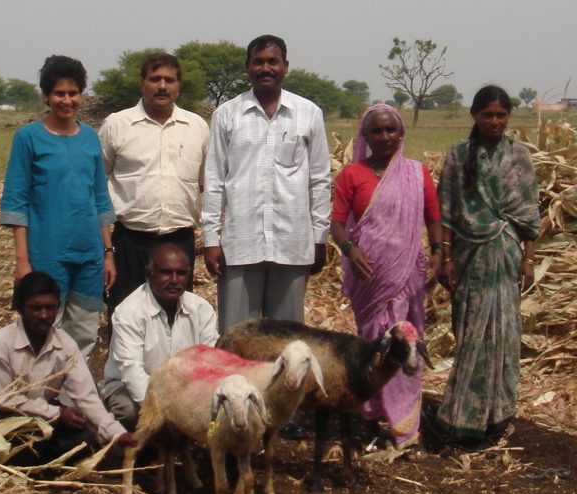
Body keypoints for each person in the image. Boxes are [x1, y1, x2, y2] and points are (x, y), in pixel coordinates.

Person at [330, 103, 442, 454]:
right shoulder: (352, 175)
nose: (384, 137)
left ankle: (405, 428)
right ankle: (372, 417)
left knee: (404, 347)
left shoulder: (416, 173)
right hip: (370, 279)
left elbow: (433, 216)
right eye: (376, 131)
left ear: (401, 133)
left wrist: (439, 253)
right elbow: (336, 222)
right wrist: (350, 249)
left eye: (390, 130)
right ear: (364, 137)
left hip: (407, 274)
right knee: (373, 347)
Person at [202, 34, 331, 333]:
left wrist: (319, 237)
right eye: (258, 62)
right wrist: (211, 238)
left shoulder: (308, 113)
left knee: (287, 339)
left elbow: (320, 179)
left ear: (286, 66)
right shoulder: (227, 114)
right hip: (240, 243)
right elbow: (215, 179)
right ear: (247, 67)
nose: (266, 68)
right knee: (237, 337)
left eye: (273, 61)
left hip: (292, 242)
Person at [436, 86, 540, 444]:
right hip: (469, 256)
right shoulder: (459, 155)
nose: (494, 122)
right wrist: (446, 258)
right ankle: (463, 417)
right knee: (470, 335)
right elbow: (447, 210)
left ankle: (498, 414)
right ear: (475, 116)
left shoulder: (519, 156)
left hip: (507, 254)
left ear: (508, 116)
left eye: (500, 115)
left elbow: (528, 214)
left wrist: (528, 260)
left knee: (504, 336)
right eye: (487, 115)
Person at [1, 55, 115, 360]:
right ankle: (41, 400)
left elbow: (100, 197)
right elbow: (16, 201)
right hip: (46, 253)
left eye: (73, 93)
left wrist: (108, 253)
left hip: (89, 254)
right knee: (44, 328)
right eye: (59, 94)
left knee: (84, 331)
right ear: (47, 96)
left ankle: (75, 397)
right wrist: (22, 261)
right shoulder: (28, 138)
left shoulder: (90, 138)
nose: (67, 100)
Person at [0, 271, 135, 464]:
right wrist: (57, 414)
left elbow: (86, 397)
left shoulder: (65, 344)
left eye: (50, 308)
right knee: (15, 446)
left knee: (84, 437)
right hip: (5, 420)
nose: (44, 315)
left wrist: (117, 434)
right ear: (20, 308)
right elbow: (5, 400)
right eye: (36, 308)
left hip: (46, 419)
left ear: (58, 307)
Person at [99, 53, 210, 316]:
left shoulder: (197, 127)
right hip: (129, 241)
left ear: (178, 85)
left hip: (179, 241)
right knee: (125, 318)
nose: (162, 86)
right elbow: (97, 187)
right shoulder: (117, 125)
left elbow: (204, 185)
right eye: (155, 79)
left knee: (176, 320)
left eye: (169, 80)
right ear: (142, 83)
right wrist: (106, 251)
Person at [100, 243, 219, 430]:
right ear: (148, 274)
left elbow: (213, 363)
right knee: (129, 411)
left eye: (181, 273)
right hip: (131, 389)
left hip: (185, 391)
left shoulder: (201, 309)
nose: (174, 280)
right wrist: (169, 412)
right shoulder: (129, 311)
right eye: (165, 272)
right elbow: (132, 374)